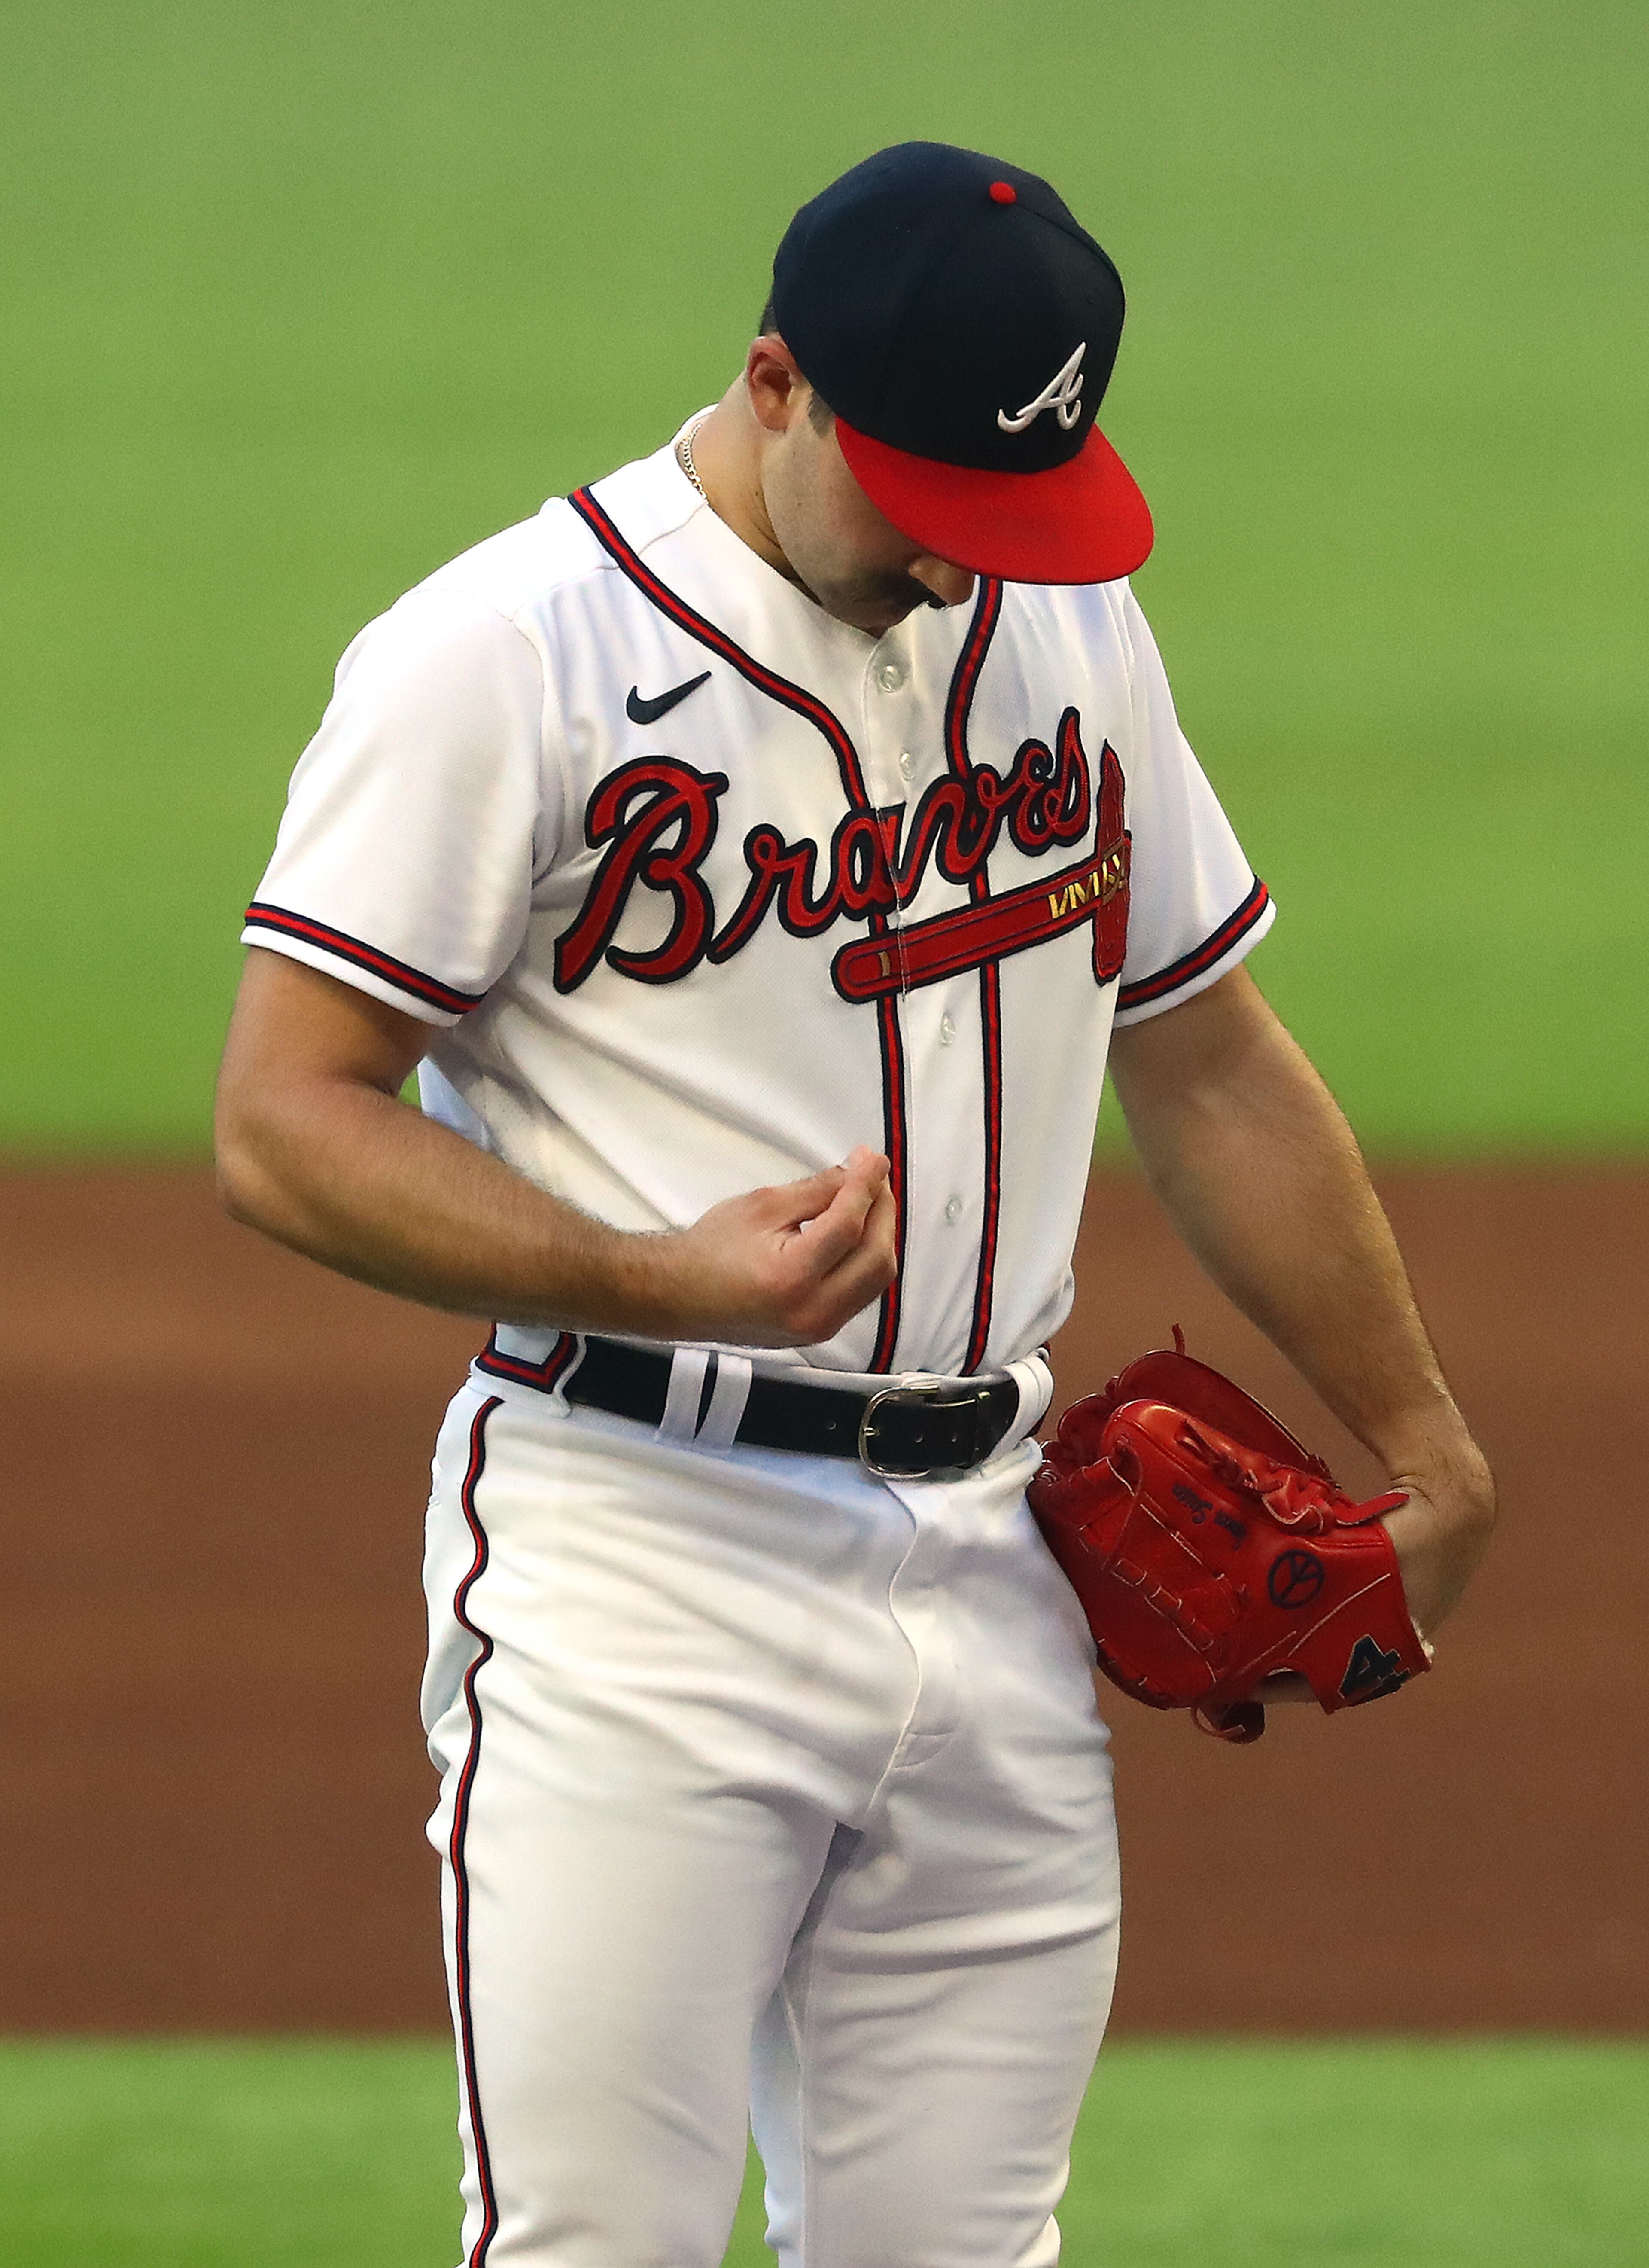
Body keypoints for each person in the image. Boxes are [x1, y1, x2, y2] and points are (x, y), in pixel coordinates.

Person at [215, 142, 1494, 2268]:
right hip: (645, 1560)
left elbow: (1209, 1050)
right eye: (931, 497)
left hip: (1001, 1576)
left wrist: (1430, 1439)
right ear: (779, 385)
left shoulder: (1063, 610)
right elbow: (283, 1120)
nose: (971, 561)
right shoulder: (499, 659)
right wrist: (657, 1272)